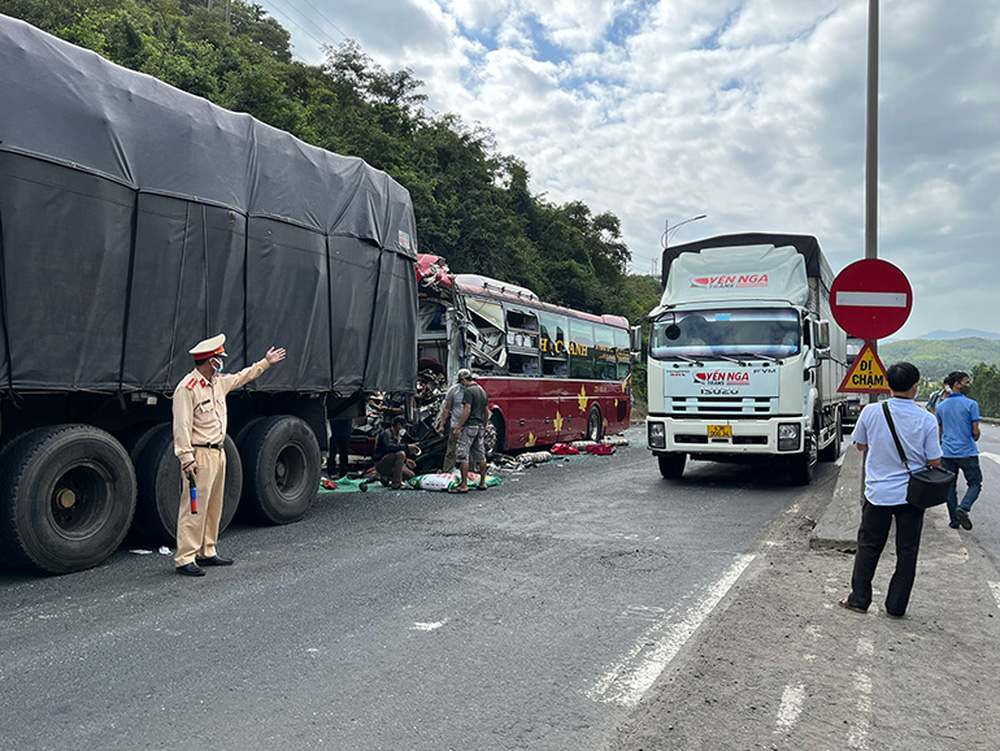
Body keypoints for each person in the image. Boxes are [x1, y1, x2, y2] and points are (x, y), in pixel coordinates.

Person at [173, 334, 286, 577]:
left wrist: (265, 362)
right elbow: (181, 426)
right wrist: (186, 458)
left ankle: (207, 550)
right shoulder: (187, 388)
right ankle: (185, 557)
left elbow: (242, 377)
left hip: (218, 452)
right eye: (219, 359)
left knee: (214, 505)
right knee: (194, 508)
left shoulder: (217, 383)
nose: (222, 362)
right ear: (210, 361)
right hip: (199, 454)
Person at [840, 362, 943, 617]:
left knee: (869, 547)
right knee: (907, 551)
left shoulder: (871, 412)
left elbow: (860, 445)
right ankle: (896, 607)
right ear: (915, 387)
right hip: (912, 495)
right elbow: (935, 461)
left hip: (877, 494)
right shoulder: (927, 420)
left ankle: (859, 599)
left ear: (888, 385)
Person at [936, 371, 982, 530]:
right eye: (966, 382)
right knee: (975, 483)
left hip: (947, 453)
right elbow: (975, 432)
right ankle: (964, 506)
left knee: (950, 487)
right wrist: (974, 437)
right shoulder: (971, 404)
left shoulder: (940, 407)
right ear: (957, 384)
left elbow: (940, 432)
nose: (968, 385)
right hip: (967, 451)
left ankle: (955, 521)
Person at [452, 370, 489, 493]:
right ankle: (482, 483)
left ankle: (464, 485)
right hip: (479, 427)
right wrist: (484, 426)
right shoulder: (482, 391)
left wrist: (459, 426)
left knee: (464, 455)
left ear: (464, 380)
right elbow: (486, 411)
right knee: (480, 454)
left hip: (469, 427)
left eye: (462, 382)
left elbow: (467, 410)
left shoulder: (469, 391)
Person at [437, 368, 471, 472]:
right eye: (462, 381)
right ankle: (447, 472)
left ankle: (471, 474)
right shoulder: (453, 390)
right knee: (451, 450)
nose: (463, 383)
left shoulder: (473, 390)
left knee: (469, 452)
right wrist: (442, 425)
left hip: (469, 425)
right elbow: (447, 408)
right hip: (455, 425)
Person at [373, 415, 418, 489]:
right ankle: (396, 483)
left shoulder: (398, 436)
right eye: (403, 427)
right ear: (398, 425)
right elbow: (390, 447)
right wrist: (407, 446)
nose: (404, 429)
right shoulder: (387, 433)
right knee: (401, 454)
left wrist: (406, 460)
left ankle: (387, 477)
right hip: (381, 463)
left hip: (392, 464)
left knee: (411, 475)